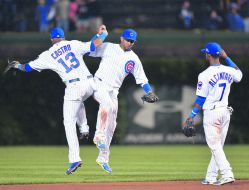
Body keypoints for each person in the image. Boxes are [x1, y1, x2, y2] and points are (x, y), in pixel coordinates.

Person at [4, 25, 108, 175]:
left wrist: (17, 65)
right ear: (63, 36)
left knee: (68, 122)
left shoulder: (48, 54)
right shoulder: (72, 43)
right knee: (80, 101)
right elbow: (92, 45)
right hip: (90, 83)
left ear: (52, 39)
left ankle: (75, 158)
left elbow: (27, 68)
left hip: (74, 85)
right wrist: (102, 34)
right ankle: (84, 128)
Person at [87, 29, 158, 173]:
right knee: (105, 106)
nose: (130, 43)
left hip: (114, 91)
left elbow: (142, 79)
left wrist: (149, 91)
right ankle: (98, 136)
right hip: (99, 84)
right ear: (121, 38)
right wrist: (100, 35)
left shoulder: (134, 59)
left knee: (112, 124)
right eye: (127, 40)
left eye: (132, 41)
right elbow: (89, 48)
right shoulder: (108, 47)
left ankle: (103, 158)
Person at [183, 42, 242, 185]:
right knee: (217, 147)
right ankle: (210, 176)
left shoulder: (204, 74)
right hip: (225, 111)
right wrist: (227, 58)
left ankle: (227, 173)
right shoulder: (229, 70)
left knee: (215, 146)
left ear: (208, 55)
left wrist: (191, 115)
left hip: (212, 113)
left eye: (206, 53)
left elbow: (201, 98)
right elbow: (239, 75)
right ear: (219, 54)